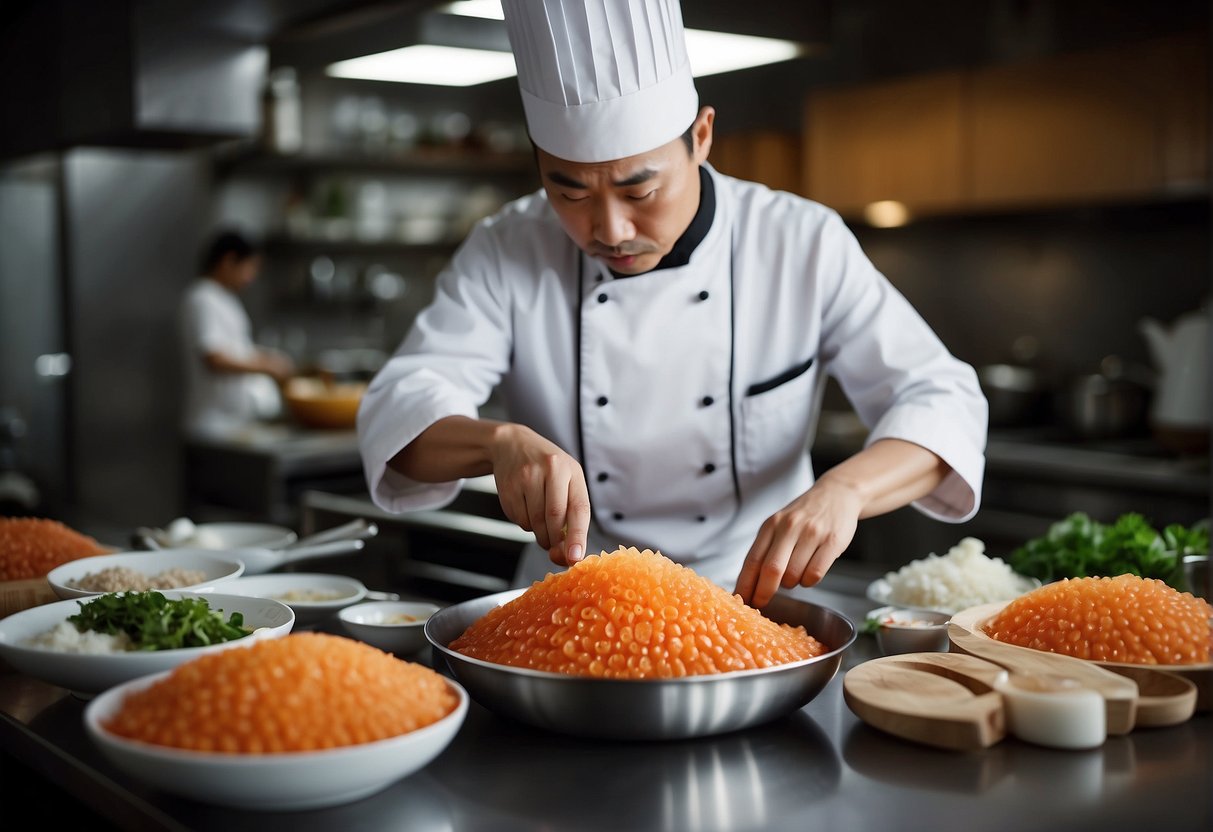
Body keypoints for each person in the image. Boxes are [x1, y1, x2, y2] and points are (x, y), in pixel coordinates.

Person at [357, 0, 988, 608]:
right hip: (575, 597)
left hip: (757, 597)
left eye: (640, 188)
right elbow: (402, 409)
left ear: (703, 137)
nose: (611, 229)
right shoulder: (506, 246)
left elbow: (941, 398)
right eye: (569, 190)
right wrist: (497, 442)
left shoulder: (800, 241)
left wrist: (846, 490)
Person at [179, 230, 295, 438]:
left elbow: (238, 350)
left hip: (234, 424)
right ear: (229, 261)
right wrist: (266, 366)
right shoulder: (202, 297)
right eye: (250, 267)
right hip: (212, 426)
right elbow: (214, 358)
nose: (251, 277)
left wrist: (268, 358)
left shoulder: (226, 299)